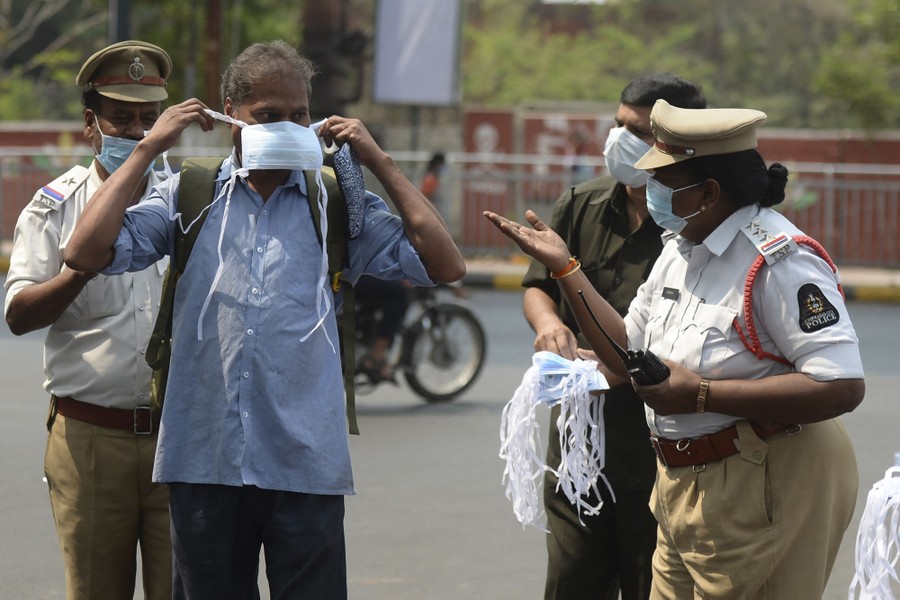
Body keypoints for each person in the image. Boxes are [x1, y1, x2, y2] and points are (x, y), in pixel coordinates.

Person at [63, 40, 465, 599]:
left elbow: (445, 266)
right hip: (205, 463)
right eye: (269, 116)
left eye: (299, 114)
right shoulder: (189, 195)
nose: (290, 126)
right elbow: (82, 253)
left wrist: (379, 161)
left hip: (305, 466)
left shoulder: (334, 203)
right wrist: (148, 148)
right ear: (231, 115)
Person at [487, 100, 864, 598]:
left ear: (708, 191)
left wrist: (702, 394)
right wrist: (565, 269)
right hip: (679, 481)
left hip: (766, 476)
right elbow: (627, 349)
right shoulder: (681, 246)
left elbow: (839, 384)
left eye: (665, 180)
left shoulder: (779, 261)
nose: (651, 190)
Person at [522, 73, 706, 600]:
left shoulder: (697, 224)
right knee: (571, 583)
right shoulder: (582, 202)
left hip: (660, 454)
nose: (620, 140)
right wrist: (550, 326)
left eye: (639, 132)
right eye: (618, 125)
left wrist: (629, 368)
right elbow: (539, 289)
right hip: (580, 445)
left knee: (654, 587)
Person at [3, 41, 174, 599]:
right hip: (91, 439)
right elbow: (19, 314)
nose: (138, 133)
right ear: (91, 125)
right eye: (121, 119)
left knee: (191, 589)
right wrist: (81, 267)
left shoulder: (196, 196)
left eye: (150, 119)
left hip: (184, 438)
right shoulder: (55, 207)